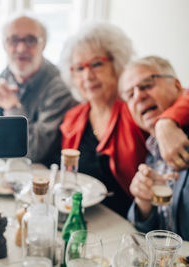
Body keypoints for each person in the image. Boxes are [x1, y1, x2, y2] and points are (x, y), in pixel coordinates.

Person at [50, 22, 189, 217]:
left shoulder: (136, 108)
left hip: (130, 219)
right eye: (79, 68)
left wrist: (167, 122)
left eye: (97, 64)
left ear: (116, 65)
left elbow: (183, 94)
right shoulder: (73, 117)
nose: (88, 75)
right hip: (82, 215)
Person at [0, 13, 77, 163]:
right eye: (14, 40)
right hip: (5, 171)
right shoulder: (8, 73)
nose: (21, 48)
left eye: (31, 40)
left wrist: (13, 108)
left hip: (41, 176)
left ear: (43, 45)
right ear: (5, 45)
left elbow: (33, 151)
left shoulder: (59, 86)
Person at [120, 56, 189, 240]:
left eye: (146, 86)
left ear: (176, 85)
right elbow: (154, 233)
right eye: (130, 95)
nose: (139, 97)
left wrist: (166, 122)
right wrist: (144, 203)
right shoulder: (152, 150)